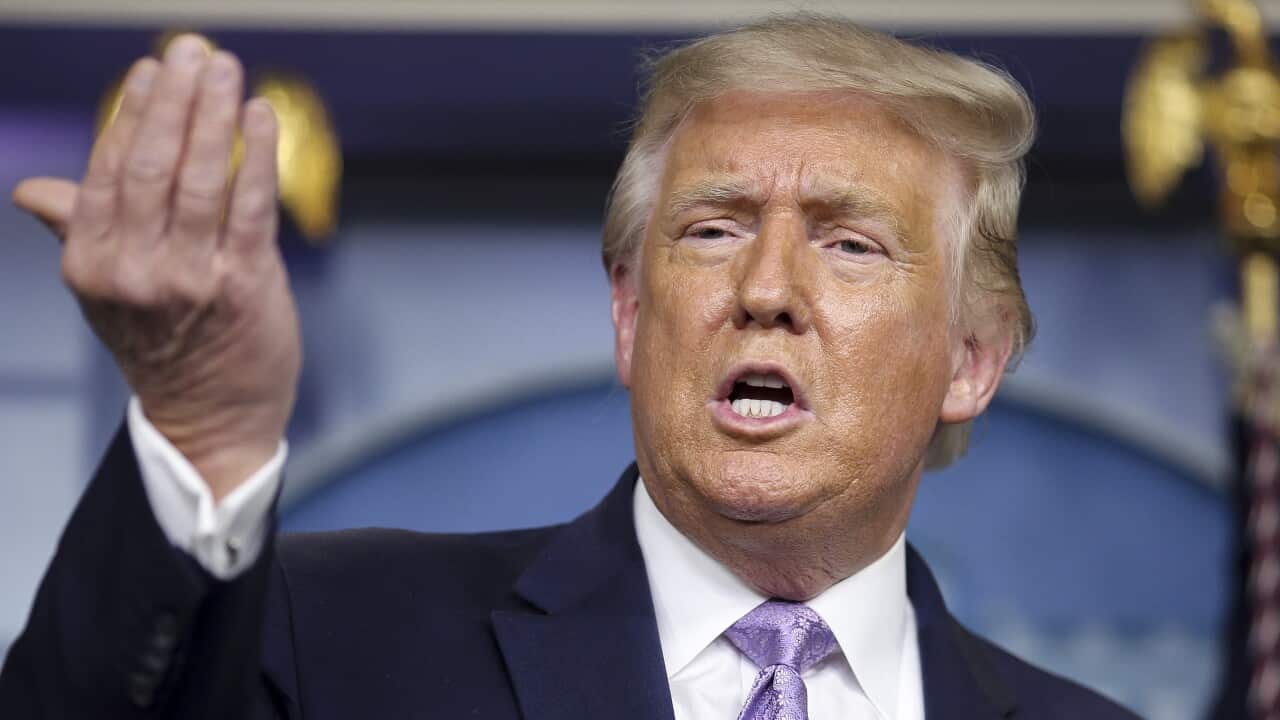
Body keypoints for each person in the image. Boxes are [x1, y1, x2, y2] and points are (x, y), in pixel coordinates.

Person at [0, 14, 1138, 720]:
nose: (765, 288)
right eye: (711, 228)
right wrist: (202, 430)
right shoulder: (329, 633)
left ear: (969, 361)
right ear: (629, 313)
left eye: (848, 243)